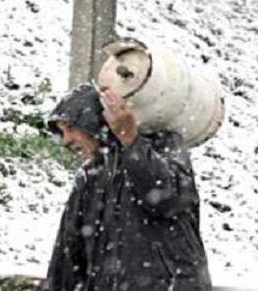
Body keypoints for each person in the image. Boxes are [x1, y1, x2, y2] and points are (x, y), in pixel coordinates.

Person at [43, 82, 212, 291]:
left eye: (70, 128)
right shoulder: (89, 177)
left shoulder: (161, 144)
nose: (66, 140)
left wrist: (130, 141)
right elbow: (68, 258)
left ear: (93, 121)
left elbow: (170, 199)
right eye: (62, 132)